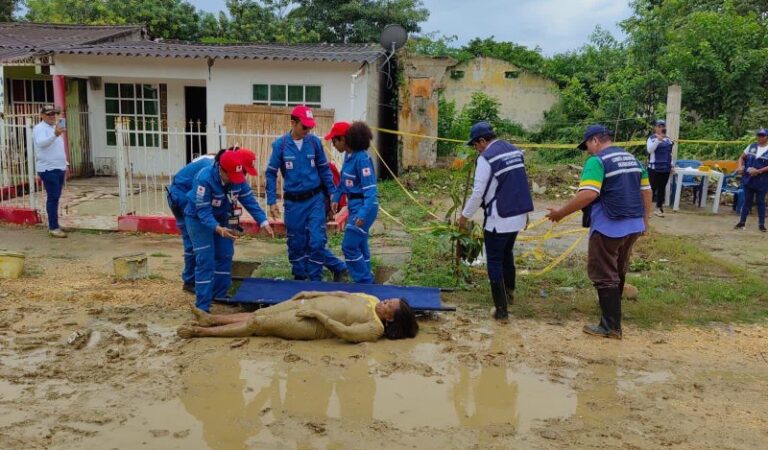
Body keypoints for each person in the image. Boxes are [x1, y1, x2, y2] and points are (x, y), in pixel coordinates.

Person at [546, 124, 652, 339]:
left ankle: (611, 326)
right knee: (618, 269)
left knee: (604, 274)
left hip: (609, 226)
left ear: (595, 140)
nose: (587, 151)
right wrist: (644, 222)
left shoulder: (597, 161)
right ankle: (613, 315)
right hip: (633, 225)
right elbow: (647, 192)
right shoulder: (632, 159)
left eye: (587, 145)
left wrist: (560, 213)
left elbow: (588, 195)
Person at [457, 121, 534, 321]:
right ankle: (509, 293)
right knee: (507, 253)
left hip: (499, 218)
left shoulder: (486, 159)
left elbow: (478, 194)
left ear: (483, 140)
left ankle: (501, 310)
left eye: (476, 144)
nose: (476, 149)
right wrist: (526, 213)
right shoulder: (514, 151)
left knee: (494, 261)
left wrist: (464, 216)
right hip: (517, 216)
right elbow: (521, 184)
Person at [185, 150, 274, 312]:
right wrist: (218, 229)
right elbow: (203, 212)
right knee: (206, 260)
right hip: (198, 220)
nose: (235, 179)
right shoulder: (204, 179)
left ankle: (219, 295)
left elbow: (249, 200)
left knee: (225, 254)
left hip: (222, 217)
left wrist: (263, 221)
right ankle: (203, 305)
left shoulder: (237, 178)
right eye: (231, 175)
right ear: (221, 169)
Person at [265, 105, 343, 281]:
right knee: (297, 242)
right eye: (304, 127)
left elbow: (324, 171)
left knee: (317, 241)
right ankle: (300, 278)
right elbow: (270, 173)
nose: (308, 130)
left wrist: (332, 195)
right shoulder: (281, 145)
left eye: (310, 127)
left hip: (315, 200)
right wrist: (271, 201)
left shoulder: (314, 143)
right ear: (293, 123)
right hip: (293, 203)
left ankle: (316, 279)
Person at [167, 147, 255, 292]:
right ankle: (190, 281)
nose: (243, 176)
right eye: (243, 171)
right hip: (181, 194)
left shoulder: (226, 169)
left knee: (214, 244)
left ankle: (210, 282)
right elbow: (202, 207)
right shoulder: (209, 171)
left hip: (197, 196)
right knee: (193, 241)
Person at [176, 290, 419, 343]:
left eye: (390, 305)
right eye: (390, 299)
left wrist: (317, 315)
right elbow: (342, 294)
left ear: (390, 319)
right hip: (307, 302)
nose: (385, 301)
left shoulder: (374, 328)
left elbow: (345, 333)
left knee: (258, 324)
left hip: (310, 324)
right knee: (258, 313)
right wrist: (312, 294)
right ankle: (211, 319)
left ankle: (201, 332)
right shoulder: (373, 300)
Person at [328, 121, 379, 283]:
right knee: (360, 244)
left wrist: (362, 214)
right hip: (354, 206)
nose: (333, 145)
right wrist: (336, 197)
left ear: (343, 139)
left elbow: (371, 191)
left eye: (334, 141)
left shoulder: (362, 159)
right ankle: (367, 277)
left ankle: (364, 282)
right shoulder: (348, 156)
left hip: (365, 208)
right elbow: (343, 182)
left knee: (349, 246)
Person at [33, 105, 68, 238]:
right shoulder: (39, 128)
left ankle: (54, 224)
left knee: (56, 197)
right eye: (49, 114)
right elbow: (41, 143)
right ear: (42, 116)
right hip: (48, 168)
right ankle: (53, 227)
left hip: (59, 167)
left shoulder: (55, 127)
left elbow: (58, 148)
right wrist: (55, 135)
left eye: (54, 114)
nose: (52, 116)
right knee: (53, 198)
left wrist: (65, 164)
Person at [735, 128, 768, 232]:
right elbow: (741, 157)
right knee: (747, 201)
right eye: (759, 135)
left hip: (762, 180)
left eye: (763, 135)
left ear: (767, 137)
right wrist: (740, 166)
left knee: (760, 202)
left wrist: (758, 171)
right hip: (748, 178)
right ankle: (742, 222)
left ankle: (761, 224)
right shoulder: (751, 147)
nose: (760, 137)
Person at [646, 119, 673, 217]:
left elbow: (669, 153)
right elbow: (650, 150)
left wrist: (672, 164)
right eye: (659, 126)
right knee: (651, 189)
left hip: (665, 168)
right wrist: (658, 140)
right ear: (655, 128)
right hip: (654, 168)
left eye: (663, 126)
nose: (661, 128)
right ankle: (647, 210)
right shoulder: (652, 138)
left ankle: (658, 208)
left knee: (662, 189)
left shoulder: (668, 139)